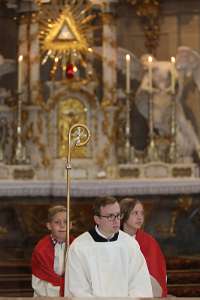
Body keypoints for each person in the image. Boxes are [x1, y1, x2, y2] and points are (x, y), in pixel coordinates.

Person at [64, 196, 153, 298]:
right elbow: (77, 289)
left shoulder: (130, 244)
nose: (116, 221)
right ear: (97, 219)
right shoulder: (79, 247)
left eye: (118, 215)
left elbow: (140, 284)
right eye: (110, 216)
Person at [120, 197, 168, 297]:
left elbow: (156, 273)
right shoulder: (113, 240)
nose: (140, 217)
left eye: (142, 213)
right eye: (135, 213)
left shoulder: (149, 242)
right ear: (122, 215)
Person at [31, 205, 71, 297]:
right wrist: (63, 291)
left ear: (71, 225)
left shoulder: (77, 246)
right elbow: (40, 281)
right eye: (57, 222)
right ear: (49, 226)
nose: (62, 225)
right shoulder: (41, 249)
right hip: (46, 295)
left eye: (66, 222)